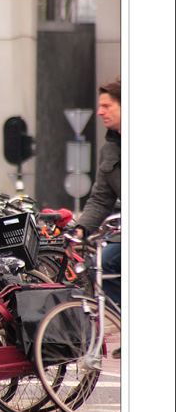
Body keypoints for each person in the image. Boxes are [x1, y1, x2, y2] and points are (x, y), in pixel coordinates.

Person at [75, 78, 121, 310]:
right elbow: (101, 198)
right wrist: (81, 229)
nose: (100, 112)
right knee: (98, 266)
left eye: (107, 106)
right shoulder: (109, 150)